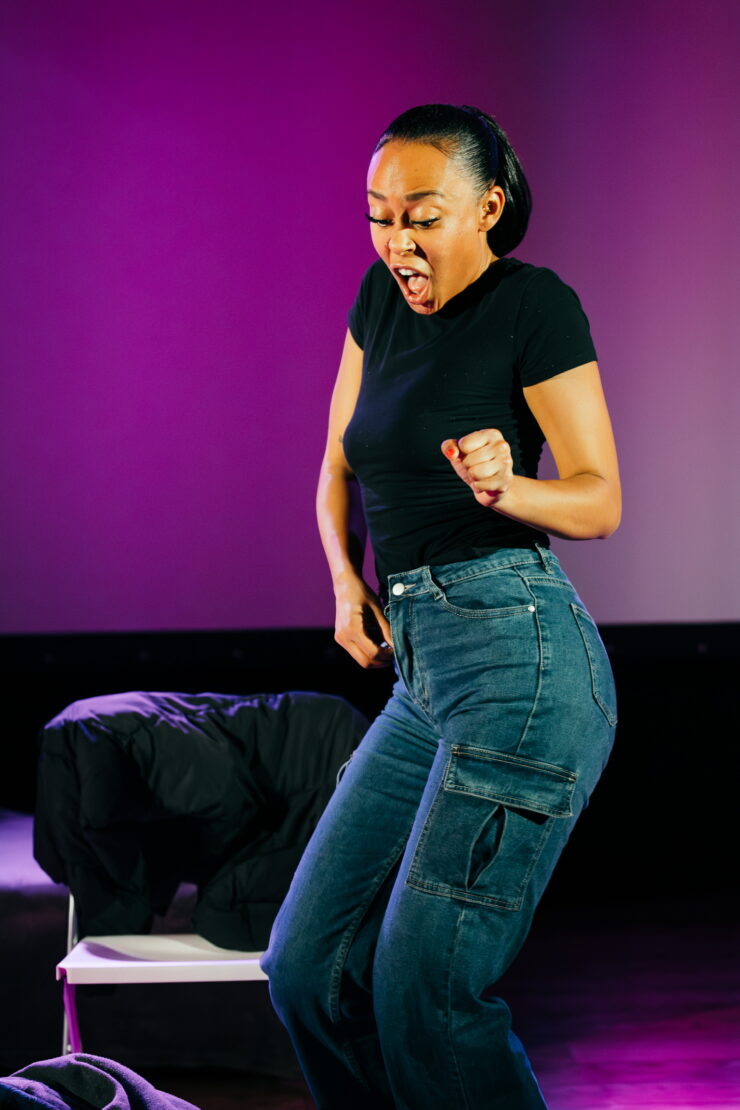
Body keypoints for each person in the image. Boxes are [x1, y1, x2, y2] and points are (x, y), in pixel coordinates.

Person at [261, 103, 621, 1110]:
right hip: (422, 676)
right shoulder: (377, 302)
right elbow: (336, 465)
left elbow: (598, 500)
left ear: (487, 208)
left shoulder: (532, 306)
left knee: (423, 987)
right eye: (378, 217)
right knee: (306, 970)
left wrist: (509, 487)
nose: (396, 242)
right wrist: (347, 585)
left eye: (420, 217)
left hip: (519, 660)